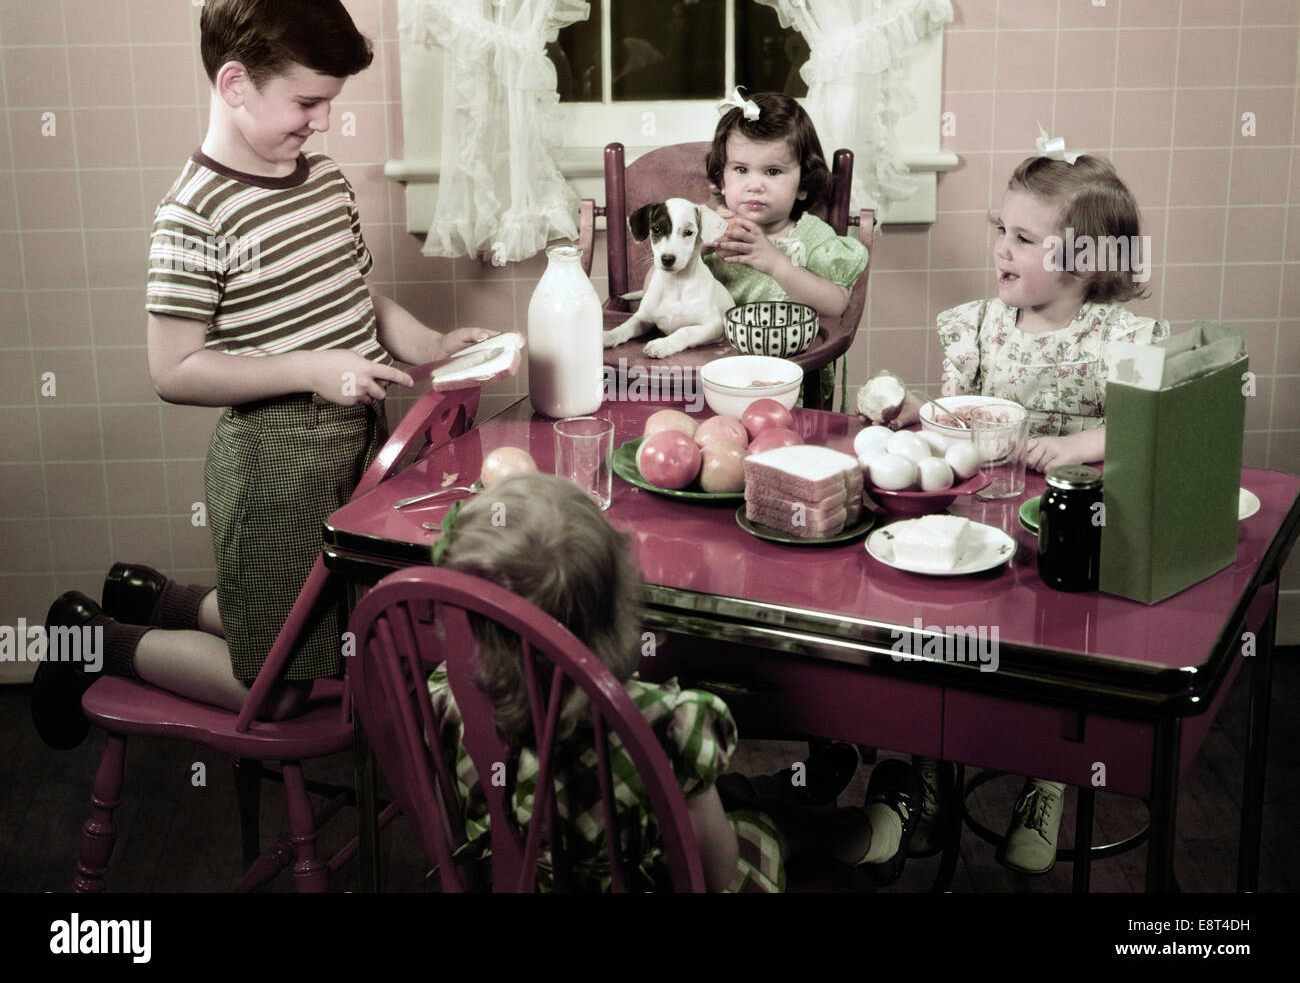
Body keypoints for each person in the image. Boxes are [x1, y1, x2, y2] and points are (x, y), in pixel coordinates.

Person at [31, 0, 493, 750]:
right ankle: (90, 638)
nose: (322, 121)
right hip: (273, 469)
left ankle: (158, 597)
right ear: (236, 85)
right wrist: (314, 370)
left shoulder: (320, 180)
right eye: (307, 102)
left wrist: (428, 343)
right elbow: (172, 370)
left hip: (351, 448)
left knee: (315, 621)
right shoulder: (193, 215)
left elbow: (355, 293)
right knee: (272, 688)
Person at [870, 144, 1169, 873]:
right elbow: (952, 416)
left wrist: (1074, 448)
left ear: (1087, 260)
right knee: (938, 640)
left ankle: (1049, 781)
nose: (1002, 248)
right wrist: (909, 408)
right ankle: (932, 774)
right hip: (980, 521)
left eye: (1024, 239)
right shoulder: (977, 327)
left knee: (1057, 662)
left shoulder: (1118, 339)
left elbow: (1152, 420)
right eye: (999, 230)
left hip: (1067, 535)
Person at [428, 472, 924, 892]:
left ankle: (780, 786)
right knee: (772, 824)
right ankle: (876, 833)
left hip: (522, 878)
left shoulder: (445, 697)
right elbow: (716, 874)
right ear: (614, 609)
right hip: (653, 879)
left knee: (718, 793)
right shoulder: (663, 723)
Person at [703, 89, 869, 402]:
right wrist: (693, 251)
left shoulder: (812, 237)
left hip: (792, 385)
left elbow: (836, 304)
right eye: (741, 169)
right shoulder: (709, 234)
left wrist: (777, 264)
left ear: (803, 184)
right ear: (721, 180)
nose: (755, 184)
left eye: (773, 172)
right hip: (715, 379)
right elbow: (656, 293)